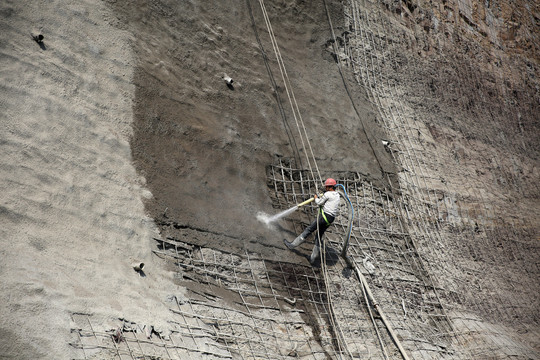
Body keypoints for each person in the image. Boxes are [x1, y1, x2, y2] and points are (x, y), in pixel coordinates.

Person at [284, 178, 341, 264]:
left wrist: (315, 198)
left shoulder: (327, 194)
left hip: (324, 217)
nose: (325, 188)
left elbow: (318, 203)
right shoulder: (337, 195)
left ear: (329, 187)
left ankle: (292, 245)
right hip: (330, 219)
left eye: (326, 187)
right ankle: (313, 258)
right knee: (319, 236)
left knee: (309, 229)